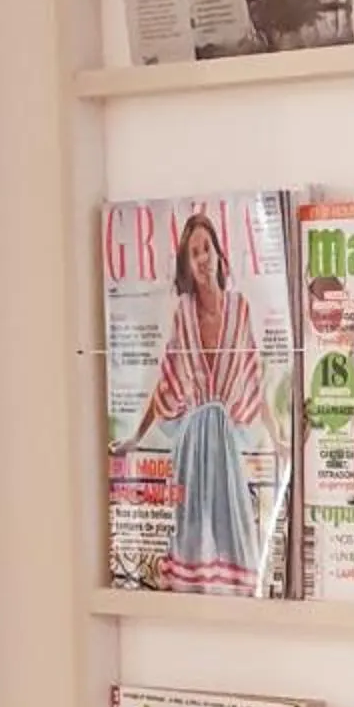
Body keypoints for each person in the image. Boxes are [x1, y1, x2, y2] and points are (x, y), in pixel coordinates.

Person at [115, 209, 272, 594]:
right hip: (191, 443)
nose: (202, 258)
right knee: (190, 534)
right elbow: (166, 381)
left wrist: (279, 438)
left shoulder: (240, 309)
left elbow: (252, 378)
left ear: (218, 252)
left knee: (230, 527)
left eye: (207, 248)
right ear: (188, 263)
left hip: (225, 442)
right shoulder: (183, 313)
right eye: (194, 253)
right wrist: (135, 438)